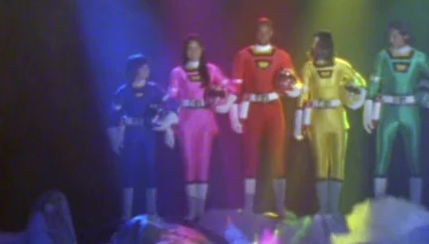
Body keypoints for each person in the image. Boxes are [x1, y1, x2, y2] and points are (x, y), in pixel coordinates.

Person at [364, 21, 429, 204]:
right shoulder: (383, 56)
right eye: (390, 35)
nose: (391, 39)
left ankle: (416, 204)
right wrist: (369, 109)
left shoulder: (419, 58)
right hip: (389, 110)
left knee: (415, 157)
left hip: (410, 110)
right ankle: (379, 203)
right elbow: (374, 82)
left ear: (405, 36)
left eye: (395, 35)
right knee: (382, 157)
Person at [230, 17, 301, 216]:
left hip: (274, 107)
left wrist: (296, 89)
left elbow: (293, 81)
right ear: (255, 33)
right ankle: (248, 206)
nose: (263, 34)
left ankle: (280, 205)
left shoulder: (282, 55)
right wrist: (234, 114)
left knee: (278, 154)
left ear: (271, 32)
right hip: (252, 108)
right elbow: (235, 86)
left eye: (266, 31)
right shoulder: (243, 55)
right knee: (250, 155)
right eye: (260, 31)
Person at [163, 34, 234, 221]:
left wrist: (223, 99)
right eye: (190, 48)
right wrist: (167, 114)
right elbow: (172, 95)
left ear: (202, 50)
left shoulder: (211, 70)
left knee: (203, 163)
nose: (193, 51)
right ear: (185, 51)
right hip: (186, 119)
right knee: (189, 163)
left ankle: (200, 210)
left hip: (205, 119)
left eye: (196, 47)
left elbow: (229, 86)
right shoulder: (178, 72)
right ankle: (191, 209)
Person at [295, 31, 366, 219]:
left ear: (327, 45)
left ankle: (333, 208)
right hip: (317, 118)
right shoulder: (308, 68)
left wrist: (354, 90)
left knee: (337, 162)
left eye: (319, 44)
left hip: (337, 118)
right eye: (314, 44)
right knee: (320, 162)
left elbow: (359, 84)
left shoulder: (342, 66)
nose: (316, 47)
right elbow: (304, 94)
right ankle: (323, 207)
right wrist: (301, 120)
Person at [107, 54, 170, 221]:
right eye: (142, 67)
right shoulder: (123, 91)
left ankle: (153, 212)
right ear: (134, 70)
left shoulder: (155, 89)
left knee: (151, 170)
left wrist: (168, 127)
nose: (146, 71)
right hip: (131, 135)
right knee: (129, 171)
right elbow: (113, 116)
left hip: (149, 134)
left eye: (147, 67)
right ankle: (127, 214)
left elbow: (168, 105)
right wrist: (115, 138)